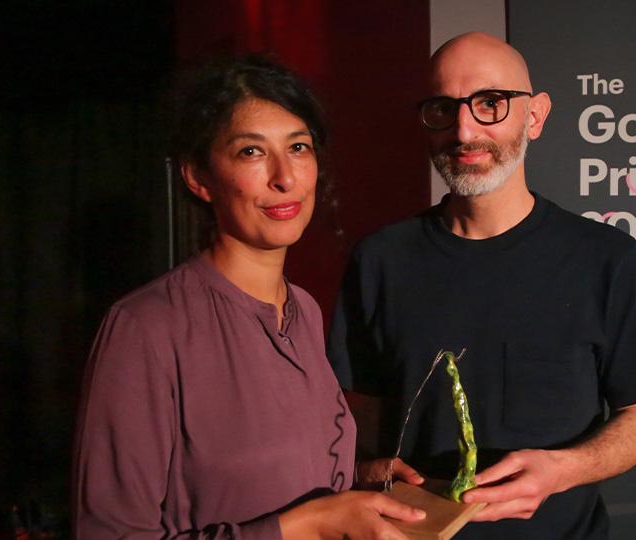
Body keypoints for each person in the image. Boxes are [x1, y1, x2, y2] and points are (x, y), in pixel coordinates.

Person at [328, 33, 636, 539]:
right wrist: (365, 467)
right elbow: (362, 415)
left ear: (535, 116)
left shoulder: (605, 258)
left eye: (490, 103)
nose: (464, 130)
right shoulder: (379, 259)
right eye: (443, 108)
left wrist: (564, 469)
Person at [71, 55, 424, 540]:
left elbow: (269, 473)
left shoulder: (302, 310)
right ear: (198, 177)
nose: (284, 176)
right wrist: (307, 525)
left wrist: (361, 480)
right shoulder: (146, 328)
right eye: (251, 152)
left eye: (298, 147)